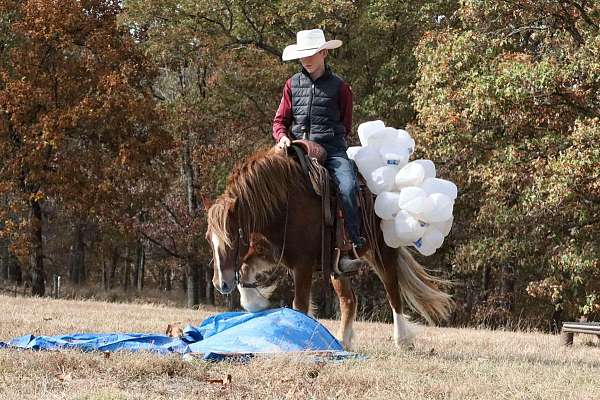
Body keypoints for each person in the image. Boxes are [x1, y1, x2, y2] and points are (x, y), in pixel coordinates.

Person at [272, 28, 365, 274]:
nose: (306, 60)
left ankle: (350, 246)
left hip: (332, 149)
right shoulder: (292, 85)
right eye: (303, 55)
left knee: (347, 186)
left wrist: (328, 142)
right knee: (264, 183)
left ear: (324, 53)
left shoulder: (340, 87)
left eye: (312, 54)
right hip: (297, 148)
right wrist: (282, 138)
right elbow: (280, 122)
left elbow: (345, 124)